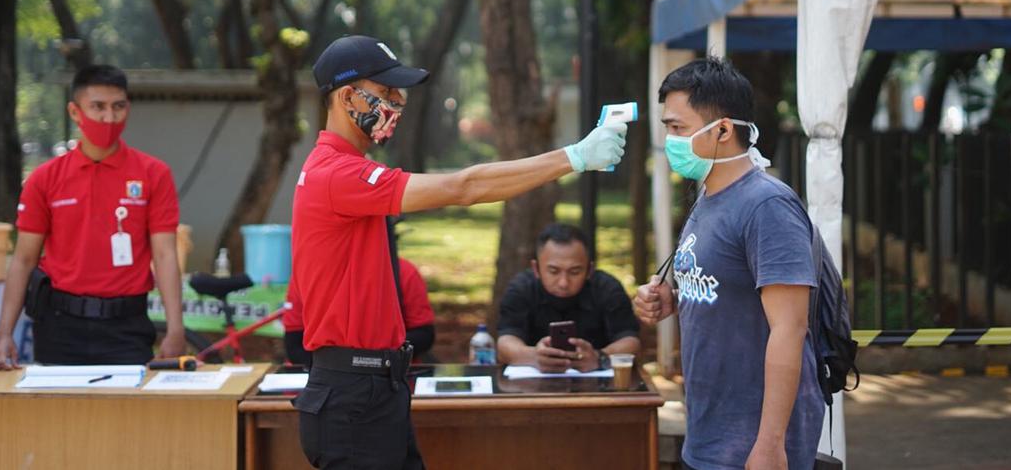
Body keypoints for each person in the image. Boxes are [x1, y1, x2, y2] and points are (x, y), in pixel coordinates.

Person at [291, 35, 628, 470]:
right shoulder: (337, 174)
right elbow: (464, 187)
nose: (398, 101)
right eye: (386, 91)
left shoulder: (345, 170)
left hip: (373, 386)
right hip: (354, 393)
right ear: (346, 96)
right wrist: (574, 157)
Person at [633, 57, 822, 470]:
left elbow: (790, 328)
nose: (670, 140)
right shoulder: (708, 196)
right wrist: (672, 298)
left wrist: (770, 445)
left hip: (752, 442)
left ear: (721, 130)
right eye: (667, 127)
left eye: (678, 128)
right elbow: (726, 289)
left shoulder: (767, 206)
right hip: (708, 429)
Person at [0, 65, 185, 368]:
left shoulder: (153, 174)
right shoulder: (45, 179)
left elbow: (165, 253)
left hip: (127, 327)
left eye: (118, 107)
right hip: (59, 325)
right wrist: (3, 334)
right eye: (98, 107)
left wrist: (176, 329)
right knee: (60, 413)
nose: (109, 118)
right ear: (75, 112)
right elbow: (24, 259)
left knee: (128, 413)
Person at [496, 223, 640, 372]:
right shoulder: (521, 289)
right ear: (536, 269)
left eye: (574, 272)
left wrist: (599, 358)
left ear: (589, 270)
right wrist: (534, 357)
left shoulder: (607, 289)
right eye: (553, 271)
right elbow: (505, 342)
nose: (563, 283)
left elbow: (630, 340)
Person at [283, 255, 436, 367]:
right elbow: (294, 346)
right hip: (320, 379)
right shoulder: (306, 275)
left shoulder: (403, 271)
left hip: (389, 375)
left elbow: (424, 335)